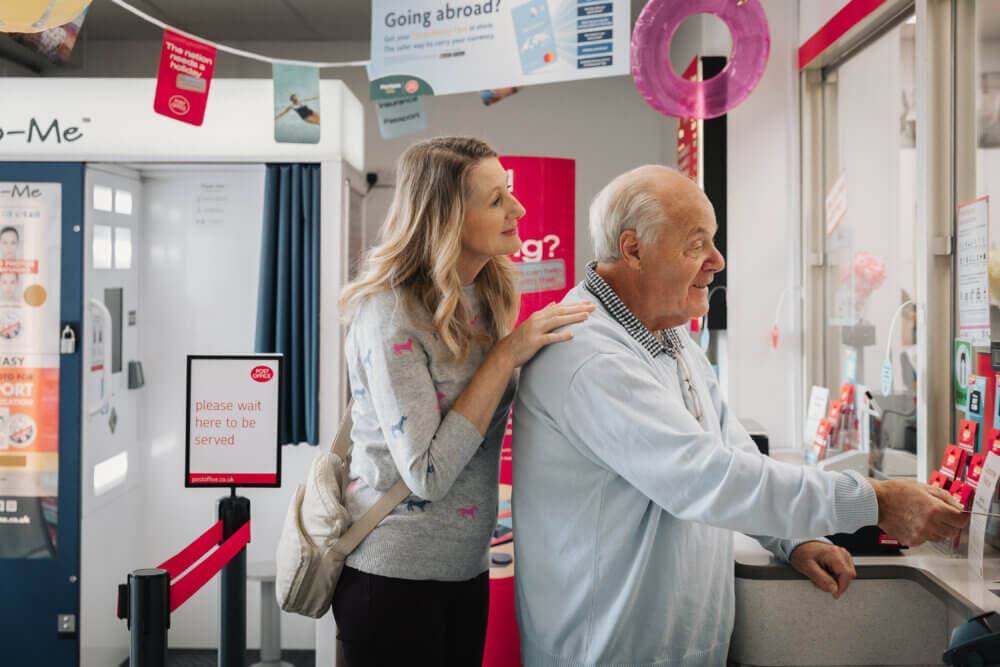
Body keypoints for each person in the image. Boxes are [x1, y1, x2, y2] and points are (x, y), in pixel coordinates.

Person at [512, 165, 969, 667]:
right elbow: (706, 478)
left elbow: (729, 449)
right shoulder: (589, 358)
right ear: (633, 249)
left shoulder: (667, 334)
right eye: (696, 244)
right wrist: (874, 501)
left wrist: (790, 537)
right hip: (606, 652)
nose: (716, 260)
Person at [332, 136, 594, 666]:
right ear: (446, 218)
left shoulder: (484, 292)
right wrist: (505, 356)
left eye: (511, 192)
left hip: (465, 570)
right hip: (392, 581)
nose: (518, 209)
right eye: (496, 199)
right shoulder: (390, 313)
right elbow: (426, 473)